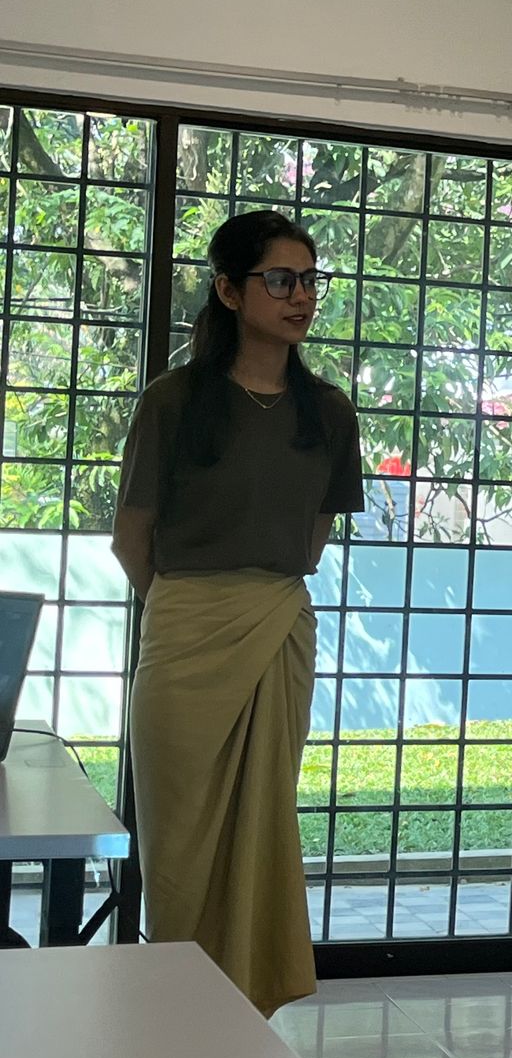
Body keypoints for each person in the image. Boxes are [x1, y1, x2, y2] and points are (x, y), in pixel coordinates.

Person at [113, 210, 363, 1016]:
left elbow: (313, 541)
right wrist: (188, 607)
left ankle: (242, 1028)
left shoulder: (329, 412)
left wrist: (247, 597)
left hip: (277, 627)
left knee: (261, 833)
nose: (301, 297)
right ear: (228, 291)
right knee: (178, 849)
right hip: (184, 633)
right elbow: (131, 540)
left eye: (310, 281)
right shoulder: (174, 400)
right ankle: (173, 1018)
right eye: (280, 280)